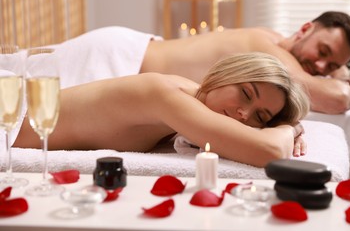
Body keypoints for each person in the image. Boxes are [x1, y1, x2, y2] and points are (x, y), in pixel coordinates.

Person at [22, 11, 350, 115]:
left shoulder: (272, 40)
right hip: (119, 58)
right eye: (323, 51)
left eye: (331, 65)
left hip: (129, 53)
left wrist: (338, 71)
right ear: (305, 29)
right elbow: (332, 99)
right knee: (22, 95)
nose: (321, 67)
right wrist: (346, 85)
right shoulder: (266, 48)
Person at [14, 52, 310, 168]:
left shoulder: (191, 104)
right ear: (225, 74)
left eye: (260, 116)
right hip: (9, 116)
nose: (244, 114)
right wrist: (289, 127)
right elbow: (269, 152)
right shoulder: (168, 95)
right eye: (246, 94)